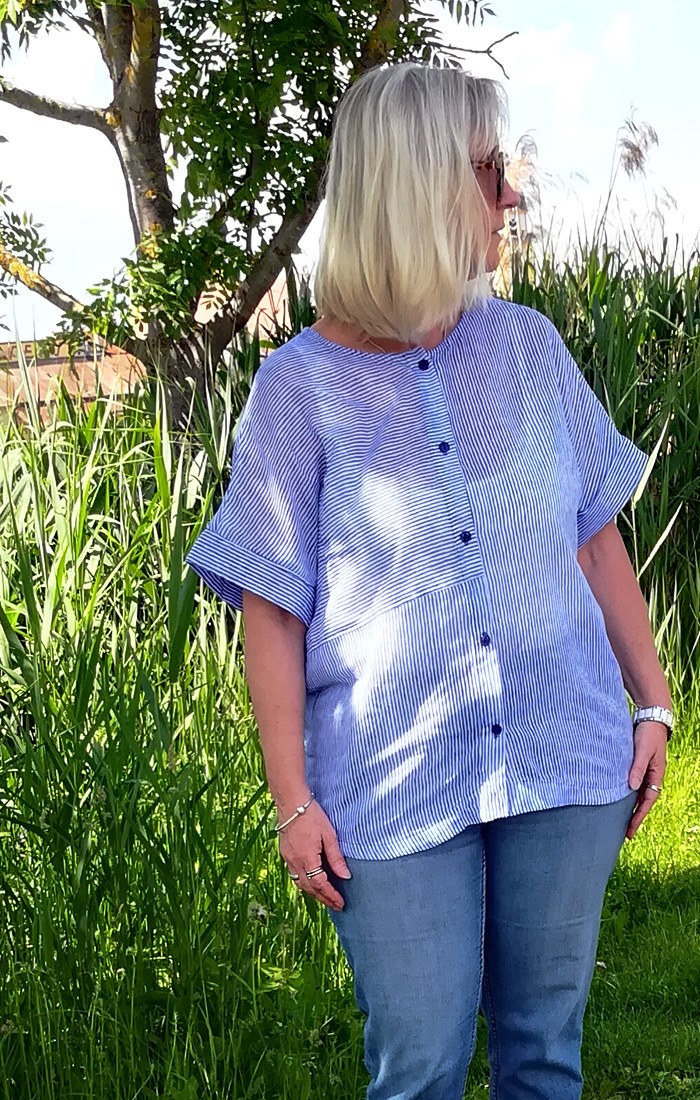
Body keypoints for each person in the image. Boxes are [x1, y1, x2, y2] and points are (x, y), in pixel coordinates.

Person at [186, 63, 672, 1100]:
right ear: (417, 188)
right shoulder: (297, 390)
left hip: (563, 748)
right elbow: (272, 609)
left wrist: (654, 701)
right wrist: (292, 802)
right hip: (391, 781)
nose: (511, 195)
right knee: (418, 1068)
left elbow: (595, 540)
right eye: (489, 170)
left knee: (544, 1053)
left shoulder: (530, 349)